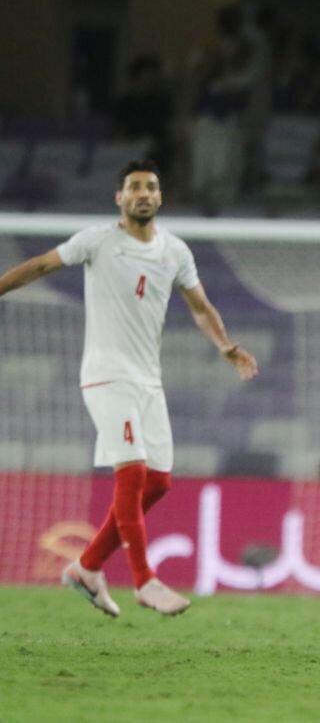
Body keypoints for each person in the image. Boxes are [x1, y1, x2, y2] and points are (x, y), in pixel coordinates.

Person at [0, 160, 260, 617]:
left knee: (158, 482)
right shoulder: (97, 241)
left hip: (148, 380)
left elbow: (200, 306)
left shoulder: (175, 251)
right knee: (133, 473)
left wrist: (226, 345)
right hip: (106, 374)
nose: (143, 193)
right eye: (134, 187)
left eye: (151, 187)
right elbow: (41, 265)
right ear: (119, 198)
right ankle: (145, 580)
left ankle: (87, 567)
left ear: (160, 197)